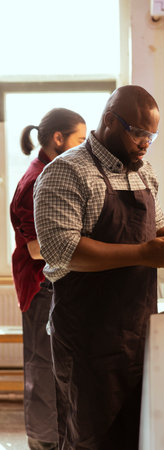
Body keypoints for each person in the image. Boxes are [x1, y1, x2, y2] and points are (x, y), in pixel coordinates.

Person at [33, 85, 164, 450]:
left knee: (135, 435)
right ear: (110, 120)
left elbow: (156, 222)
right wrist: (143, 254)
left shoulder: (143, 172)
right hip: (87, 339)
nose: (145, 143)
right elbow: (63, 249)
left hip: (137, 331)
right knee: (90, 439)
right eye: (139, 132)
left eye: (152, 135)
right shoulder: (65, 172)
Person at [10, 108, 87, 450]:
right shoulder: (36, 180)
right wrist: (85, 244)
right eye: (80, 141)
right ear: (58, 138)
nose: (83, 149)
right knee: (43, 369)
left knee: (56, 368)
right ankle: (44, 443)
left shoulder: (50, 173)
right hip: (40, 287)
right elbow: (37, 248)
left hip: (51, 284)